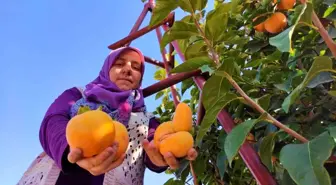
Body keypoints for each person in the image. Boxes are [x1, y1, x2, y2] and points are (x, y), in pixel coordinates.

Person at [17, 46, 198, 185]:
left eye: (136, 68)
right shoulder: (78, 94)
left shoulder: (146, 119)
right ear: (106, 69)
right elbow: (53, 120)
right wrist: (69, 149)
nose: (127, 70)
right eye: (119, 64)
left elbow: (154, 144)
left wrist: (161, 156)